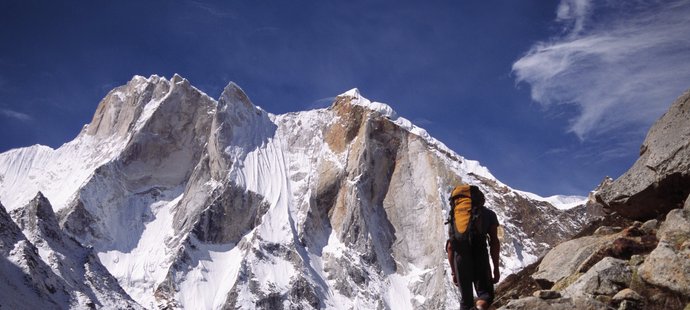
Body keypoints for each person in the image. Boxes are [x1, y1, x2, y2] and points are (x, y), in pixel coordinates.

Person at [446, 186, 501, 310]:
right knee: (485, 295)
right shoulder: (488, 214)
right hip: (480, 254)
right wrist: (496, 268)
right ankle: (480, 307)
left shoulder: (454, 216)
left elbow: (450, 247)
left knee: (465, 301)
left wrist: (454, 272)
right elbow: (494, 242)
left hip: (460, 258)